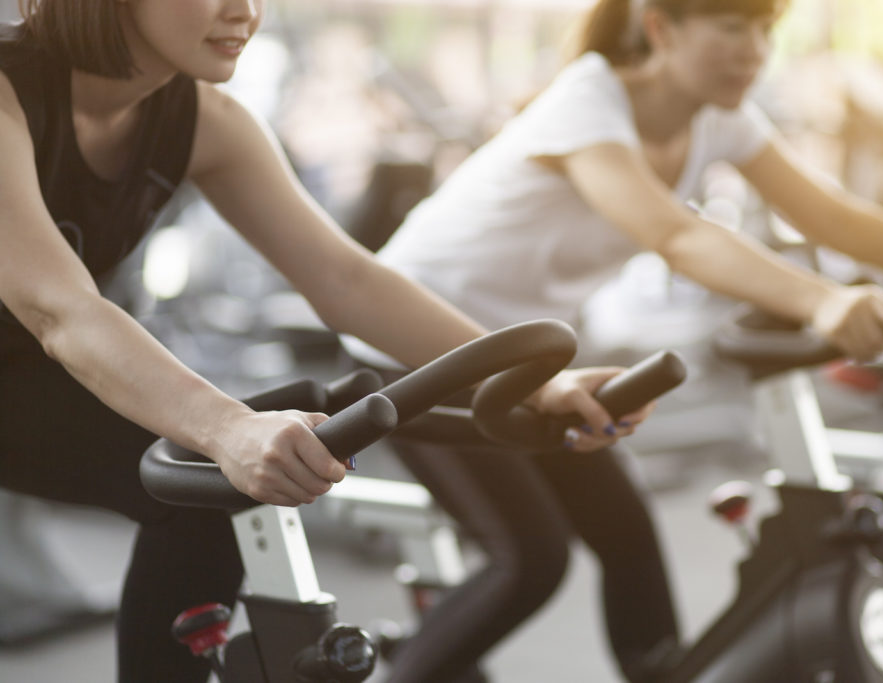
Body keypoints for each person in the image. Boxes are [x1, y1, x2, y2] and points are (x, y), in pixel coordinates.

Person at [347, 0, 883, 681]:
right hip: (414, 345)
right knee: (530, 559)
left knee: (628, 535)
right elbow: (675, 233)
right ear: (661, 27)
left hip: (520, 359)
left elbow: (829, 214)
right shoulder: (587, 101)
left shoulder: (718, 117)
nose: (754, 51)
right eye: (732, 28)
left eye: (765, 32)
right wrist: (821, 300)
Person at [0, 2, 653, 682]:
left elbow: (346, 279)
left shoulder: (203, 119)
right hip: (39, 355)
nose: (244, 11)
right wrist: (227, 426)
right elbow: (61, 309)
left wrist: (539, 380)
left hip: (29, 375)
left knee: (199, 490)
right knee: (208, 454)